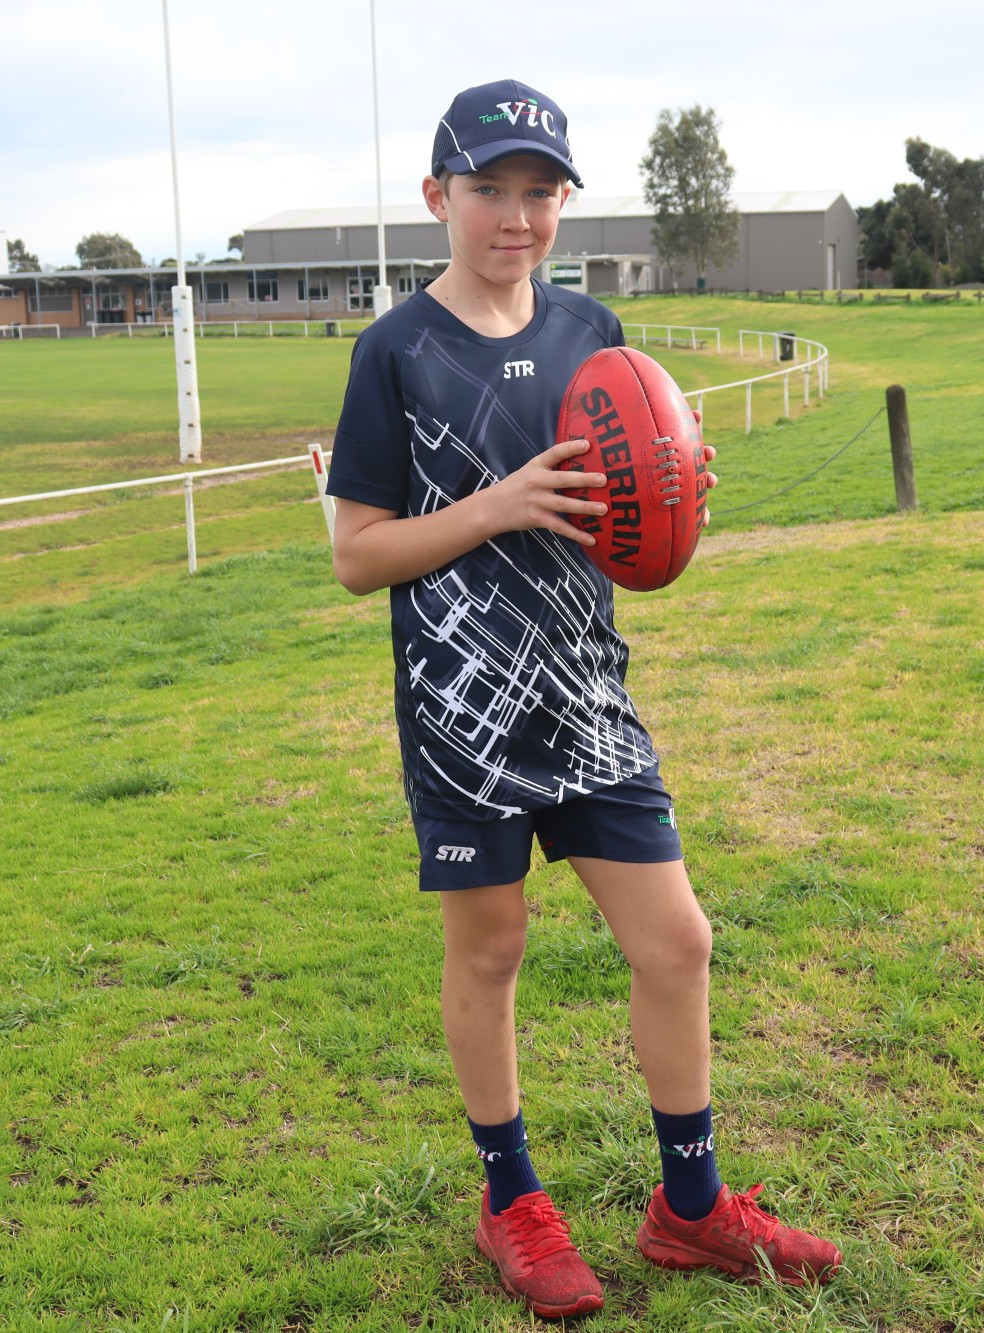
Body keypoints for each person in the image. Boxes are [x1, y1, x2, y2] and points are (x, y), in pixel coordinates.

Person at [322, 80, 842, 1318]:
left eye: (539, 191)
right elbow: (355, 555)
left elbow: (628, 498)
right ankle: (512, 1202)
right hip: (464, 711)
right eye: (488, 189)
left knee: (677, 941)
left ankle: (692, 1206)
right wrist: (494, 505)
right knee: (491, 950)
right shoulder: (395, 350)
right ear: (435, 195)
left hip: (584, 694)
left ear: (564, 201)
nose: (515, 216)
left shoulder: (592, 330)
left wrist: (671, 483)